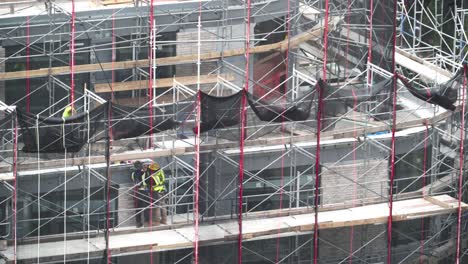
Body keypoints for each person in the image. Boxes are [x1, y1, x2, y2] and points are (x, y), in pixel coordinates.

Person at [131, 161, 150, 228]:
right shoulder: (144, 173)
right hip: (144, 191)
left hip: (136, 193)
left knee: (138, 208)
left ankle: (138, 223)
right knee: (146, 208)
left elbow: (134, 180)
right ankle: (146, 223)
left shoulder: (133, 173)